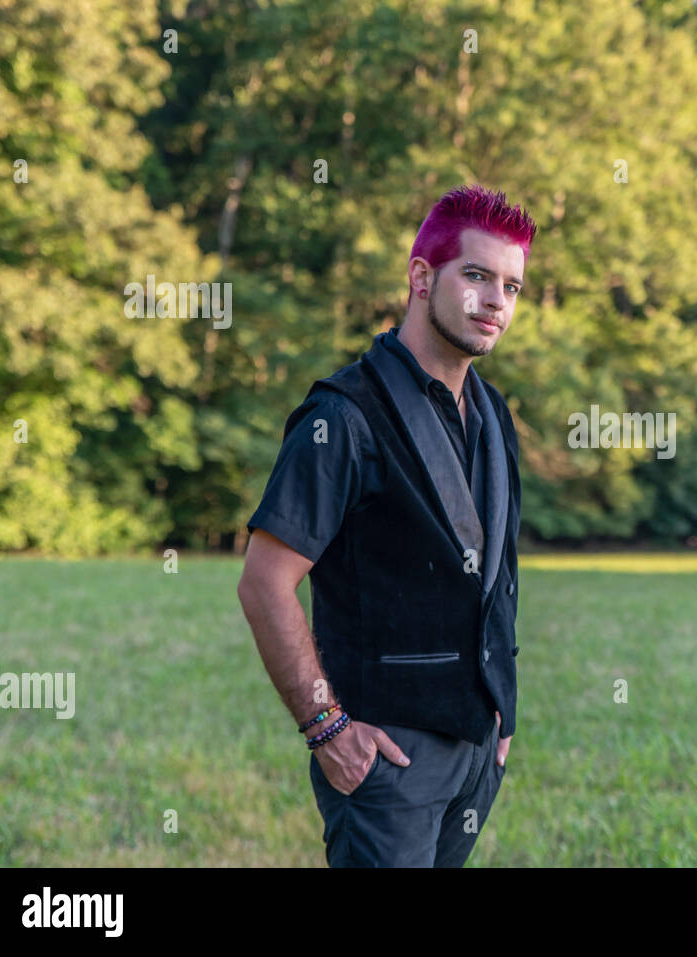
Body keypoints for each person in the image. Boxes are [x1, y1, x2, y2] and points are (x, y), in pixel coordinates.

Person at [237, 184, 536, 866]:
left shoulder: (494, 416)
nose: (497, 301)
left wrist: (503, 714)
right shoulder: (342, 417)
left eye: (513, 287)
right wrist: (327, 727)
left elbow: (499, 576)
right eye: (478, 276)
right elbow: (263, 584)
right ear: (421, 276)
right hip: (386, 758)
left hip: (475, 754)